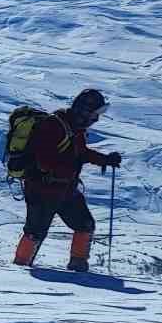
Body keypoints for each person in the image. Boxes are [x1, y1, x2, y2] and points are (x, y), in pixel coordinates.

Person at [11, 89, 122, 273]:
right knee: (35, 231)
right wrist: (70, 166)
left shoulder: (73, 127)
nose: (96, 119)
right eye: (95, 114)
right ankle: (19, 269)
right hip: (42, 189)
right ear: (84, 112)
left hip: (65, 189)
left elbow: (80, 153)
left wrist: (105, 159)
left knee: (85, 224)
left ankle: (78, 266)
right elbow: (44, 161)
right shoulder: (54, 125)